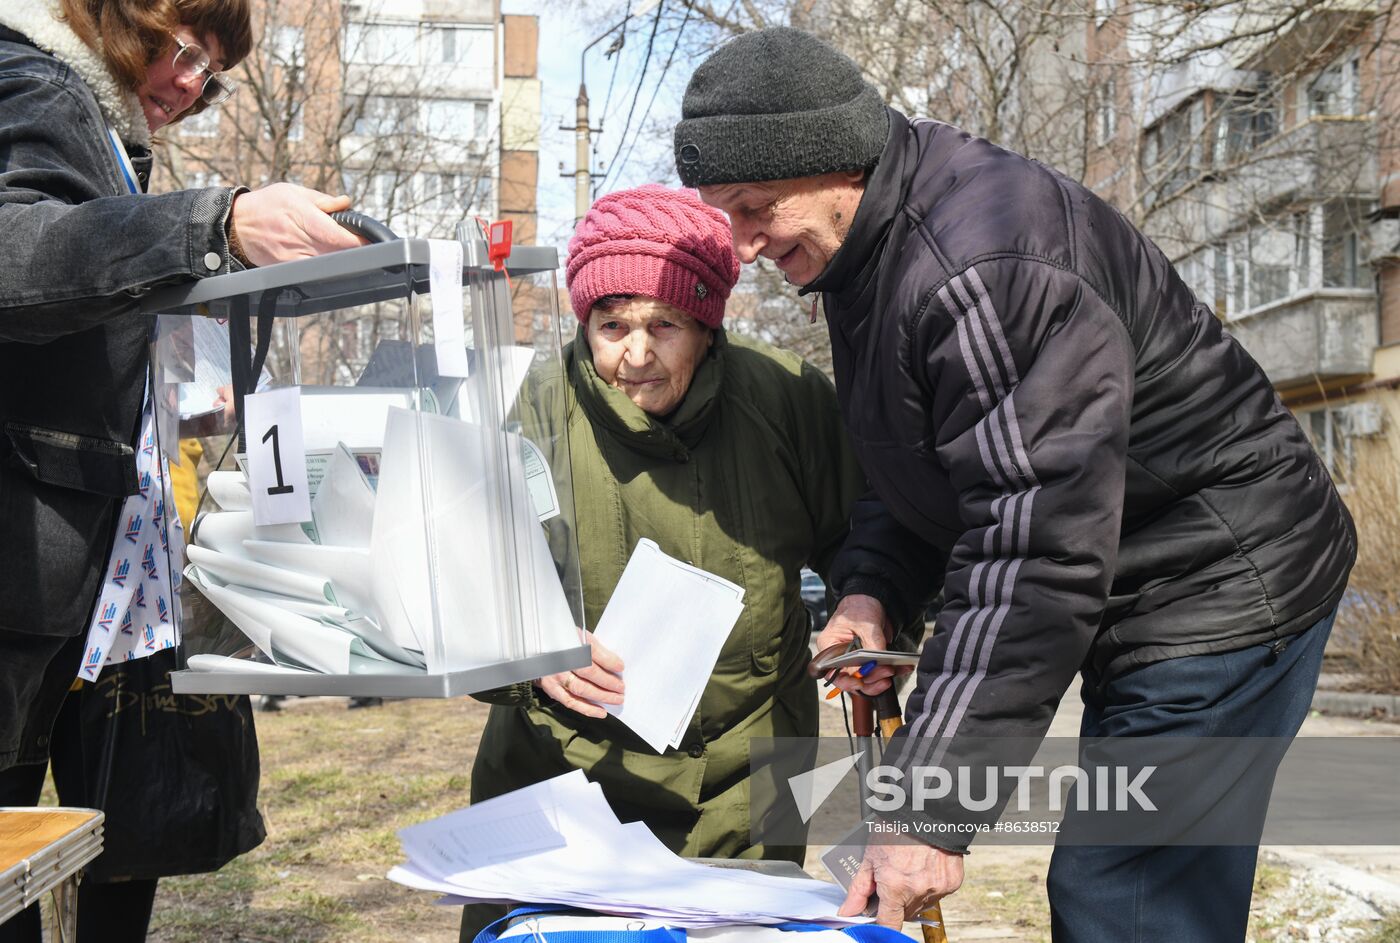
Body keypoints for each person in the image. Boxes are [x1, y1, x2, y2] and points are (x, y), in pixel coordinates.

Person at [674, 27, 1356, 943]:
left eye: (755, 206)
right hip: (1131, 564)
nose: (744, 243)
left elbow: (1033, 543)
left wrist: (927, 802)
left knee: (1129, 892)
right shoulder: (863, 254)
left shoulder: (984, 264)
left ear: (831, 160)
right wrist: (874, 588)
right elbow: (921, 458)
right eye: (727, 212)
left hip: (1223, 575)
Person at [0, 0, 364, 938]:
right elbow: (17, 255)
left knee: (113, 837)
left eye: (211, 69)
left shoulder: (103, 128)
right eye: (186, 53)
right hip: (26, 568)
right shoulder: (30, 81)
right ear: (120, 15)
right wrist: (215, 224)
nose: (191, 86)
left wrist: (199, 382)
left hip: (95, 571)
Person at [461, 184, 865, 939]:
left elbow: (870, 535)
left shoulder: (788, 400)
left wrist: (866, 602)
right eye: (611, 325)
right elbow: (457, 579)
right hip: (561, 773)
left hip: (747, 778)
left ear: (707, 324)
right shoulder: (533, 405)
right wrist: (533, 648)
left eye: (664, 325)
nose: (635, 355)